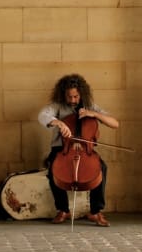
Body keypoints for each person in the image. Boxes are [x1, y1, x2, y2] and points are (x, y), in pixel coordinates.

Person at [38, 73, 119, 227]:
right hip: (62, 148)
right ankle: (63, 209)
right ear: (64, 95)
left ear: (81, 93)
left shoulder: (89, 105)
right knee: (53, 171)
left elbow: (115, 123)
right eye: (69, 97)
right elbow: (42, 115)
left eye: (75, 97)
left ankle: (95, 211)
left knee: (101, 169)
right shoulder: (57, 106)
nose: (73, 100)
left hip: (85, 149)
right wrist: (58, 123)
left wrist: (94, 114)